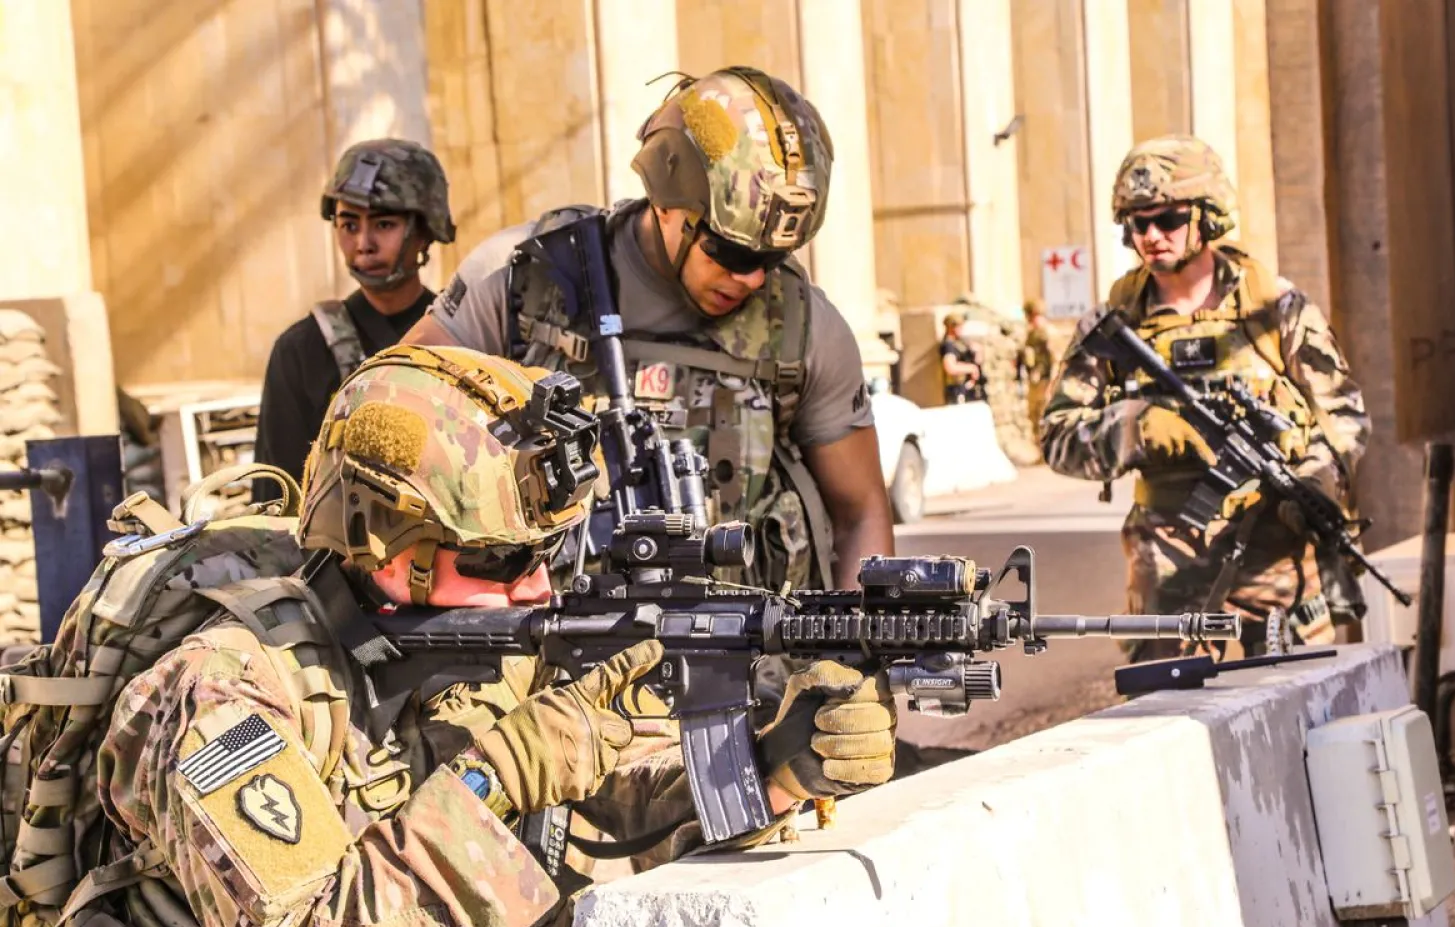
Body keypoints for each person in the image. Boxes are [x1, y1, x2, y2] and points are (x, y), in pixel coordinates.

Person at [30, 346, 897, 927]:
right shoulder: (216, 695)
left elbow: (616, 800)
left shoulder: (476, 644)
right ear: (384, 545)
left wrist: (773, 766)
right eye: (497, 558)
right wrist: (498, 774)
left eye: (548, 551)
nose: (536, 584)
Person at [401, 66, 892, 593]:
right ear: (665, 203)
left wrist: (848, 661)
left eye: (773, 258)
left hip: (747, 663)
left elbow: (860, 513)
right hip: (541, 659)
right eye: (729, 251)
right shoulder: (520, 280)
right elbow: (395, 419)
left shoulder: (805, 328)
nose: (750, 278)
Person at [1040, 134, 1370, 659]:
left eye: (1167, 219)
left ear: (1207, 216)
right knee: (1165, 726)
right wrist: (1136, 427)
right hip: (1167, 580)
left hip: (1276, 572)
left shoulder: (1273, 308)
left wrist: (1315, 481)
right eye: (1137, 222)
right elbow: (1056, 436)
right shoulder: (1114, 324)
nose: (1151, 235)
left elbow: (1344, 417)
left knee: (1299, 725)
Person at [251, 139, 454, 505]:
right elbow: (275, 502)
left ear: (426, 230)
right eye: (348, 225)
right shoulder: (301, 350)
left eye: (384, 224)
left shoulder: (461, 336)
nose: (363, 243)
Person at [1021, 300, 1055, 436]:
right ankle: (1039, 453)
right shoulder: (1031, 334)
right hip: (1035, 383)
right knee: (1034, 419)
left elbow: (1056, 362)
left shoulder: (1049, 334)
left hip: (1047, 383)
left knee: (1045, 420)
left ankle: (1046, 456)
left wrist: (1051, 387)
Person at [938, 312, 987, 405]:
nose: (962, 330)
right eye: (959, 327)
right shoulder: (949, 345)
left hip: (966, 389)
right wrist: (971, 368)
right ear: (951, 327)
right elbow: (950, 367)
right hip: (958, 390)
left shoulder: (959, 342)